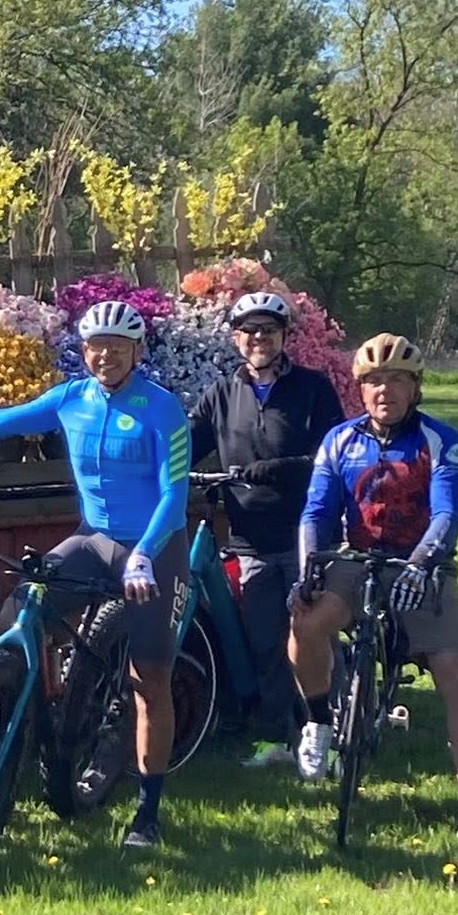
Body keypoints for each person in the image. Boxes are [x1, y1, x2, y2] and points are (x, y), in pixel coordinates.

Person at [0, 299, 191, 850]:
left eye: (116, 346)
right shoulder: (72, 398)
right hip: (95, 538)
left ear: (136, 351)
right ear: (83, 350)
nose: (104, 355)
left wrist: (144, 554)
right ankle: (31, 698)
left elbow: (174, 496)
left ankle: (147, 810)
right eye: (95, 346)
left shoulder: (162, 409)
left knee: (148, 679)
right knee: (21, 608)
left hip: (154, 547)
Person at [290, 332, 458, 840]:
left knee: (456, 675)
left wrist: (422, 563)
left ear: (415, 387)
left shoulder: (440, 440)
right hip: (357, 562)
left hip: (423, 566)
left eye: (397, 379)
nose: (385, 390)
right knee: (305, 622)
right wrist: (309, 568)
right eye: (375, 380)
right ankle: (318, 723)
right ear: (360, 388)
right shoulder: (340, 440)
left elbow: (447, 512)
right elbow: (316, 511)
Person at [187, 291, 344, 769]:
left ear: (283, 338)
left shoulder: (312, 388)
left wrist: (283, 468)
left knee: (311, 636)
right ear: (236, 339)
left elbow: (333, 453)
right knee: (264, 640)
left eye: (268, 331)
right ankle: (274, 736)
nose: (259, 338)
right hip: (248, 538)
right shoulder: (219, 394)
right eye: (250, 331)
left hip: (304, 535)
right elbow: (187, 448)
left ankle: (331, 733)